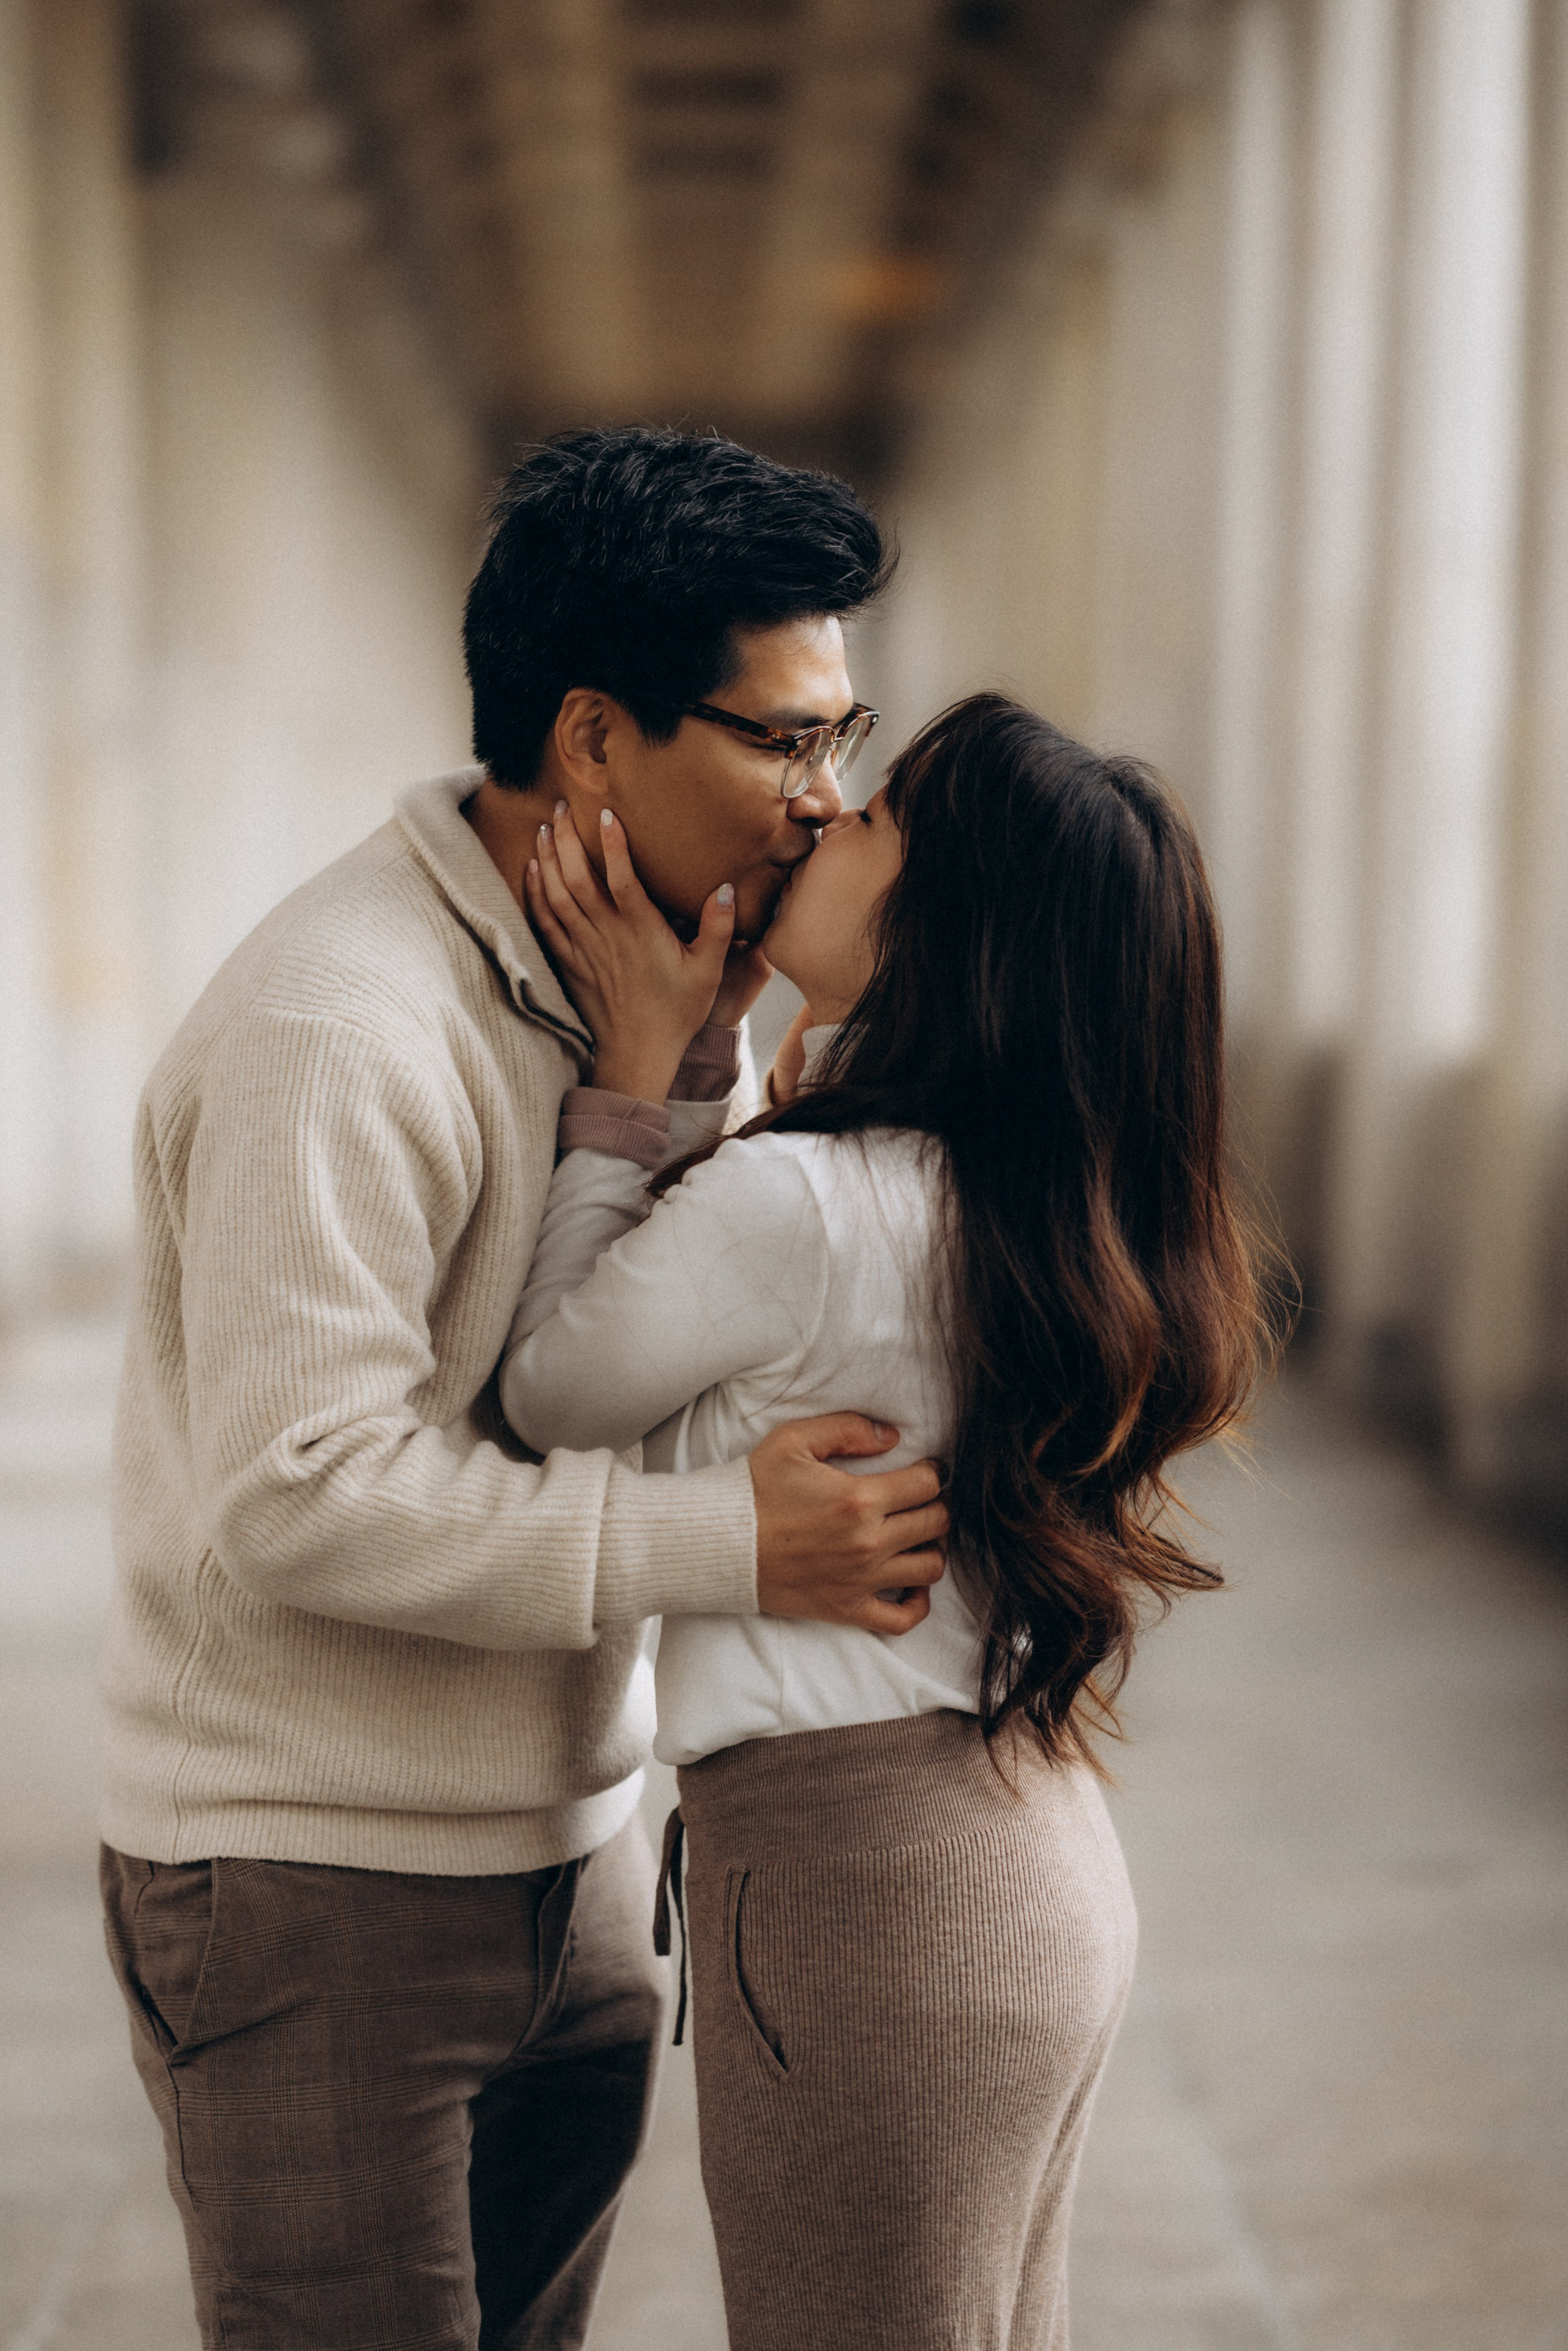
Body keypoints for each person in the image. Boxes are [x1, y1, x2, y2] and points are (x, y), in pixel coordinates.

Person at [97, 427, 951, 2351]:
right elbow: (304, 1489)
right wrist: (727, 1543)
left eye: (843, 736)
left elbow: (622, 1343)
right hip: (321, 1878)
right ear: (591, 739)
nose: (830, 800)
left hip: (574, 1856)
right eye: (783, 741)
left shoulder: (633, 968)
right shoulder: (345, 1023)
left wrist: (676, 1081)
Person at [500, 692, 1276, 2350]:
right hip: (1033, 1866)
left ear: (949, 918)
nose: (821, 816)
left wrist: (643, 1080)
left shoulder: (806, 1202)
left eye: (874, 817)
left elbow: (551, 1388)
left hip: (866, 1913)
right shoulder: (1029, 1202)